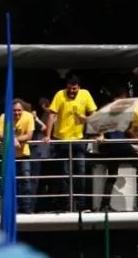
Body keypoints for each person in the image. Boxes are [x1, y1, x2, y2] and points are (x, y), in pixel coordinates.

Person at [45, 74, 97, 211]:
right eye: (69, 89)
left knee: (80, 171)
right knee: (63, 173)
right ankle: (66, 205)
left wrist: (85, 119)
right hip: (61, 139)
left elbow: (94, 114)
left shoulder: (85, 94)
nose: (72, 92)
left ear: (79, 87)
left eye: (74, 89)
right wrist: (47, 136)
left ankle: (80, 205)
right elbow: (52, 114)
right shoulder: (59, 95)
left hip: (78, 139)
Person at [0, 99, 35, 214]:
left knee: (26, 181)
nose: (17, 113)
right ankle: (12, 208)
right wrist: (12, 139)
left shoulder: (28, 117)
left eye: (19, 110)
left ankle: (27, 208)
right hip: (8, 156)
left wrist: (14, 139)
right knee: (10, 182)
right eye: (14, 111)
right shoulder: (4, 117)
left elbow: (29, 135)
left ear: (23, 110)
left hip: (23, 154)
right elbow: (0, 134)